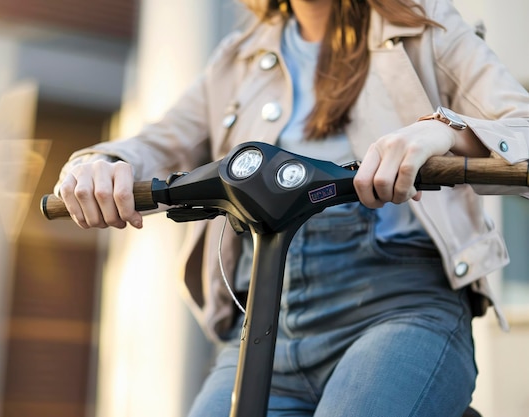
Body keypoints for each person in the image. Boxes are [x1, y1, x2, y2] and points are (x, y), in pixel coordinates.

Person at [54, 0, 529, 415]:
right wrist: (99, 162)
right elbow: (153, 143)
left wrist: (444, 130)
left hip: (397, 307)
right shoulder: (239, 57)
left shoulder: (425, 24)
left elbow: (521, 127)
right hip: (265, 316)